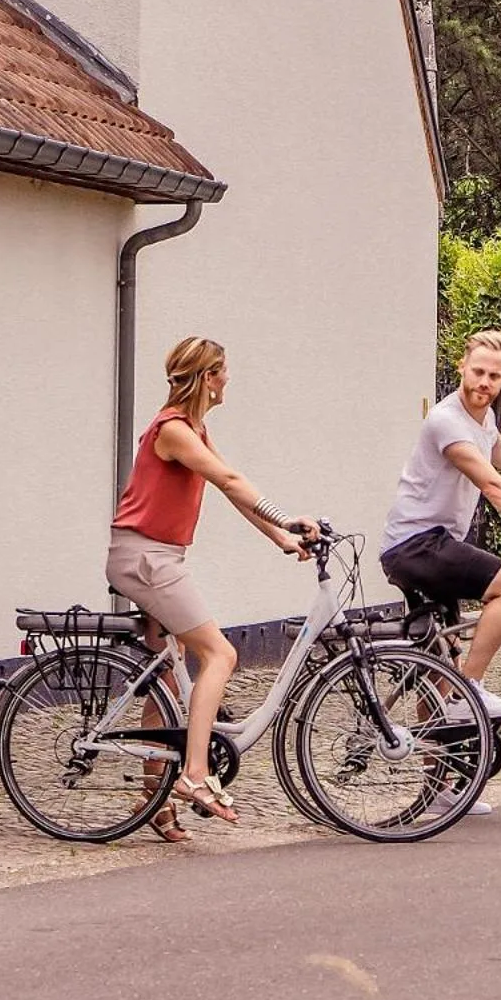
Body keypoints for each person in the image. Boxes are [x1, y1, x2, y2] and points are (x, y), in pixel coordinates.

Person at [108, 336, 319, 840]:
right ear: (207, 378)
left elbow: (232, 487)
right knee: (220, 655)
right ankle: (195, 775)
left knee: (168, 676)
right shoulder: (174, 430)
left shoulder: (193, 428)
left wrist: (281, 538)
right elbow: (226, 478)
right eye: (222, 372)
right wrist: (286, 516)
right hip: (145, 559)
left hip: (155, 557)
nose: (228, 381)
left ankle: (152, 799)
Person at [380, 329, 501, 723]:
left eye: (493, 376)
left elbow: (497, 451)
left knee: (436, 670)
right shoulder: (446, 421)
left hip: (424, 546)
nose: (484, 383)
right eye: (478, 372)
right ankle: (470, 690)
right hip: (417, 545)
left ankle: (439, 782)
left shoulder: (483, 417)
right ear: (462, 368)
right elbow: (490, 482)